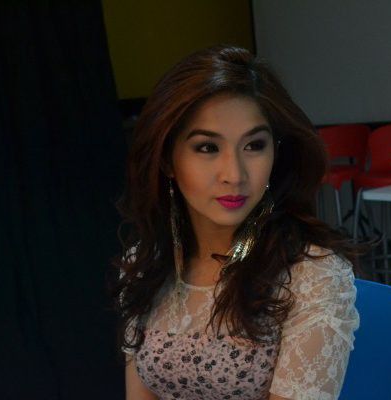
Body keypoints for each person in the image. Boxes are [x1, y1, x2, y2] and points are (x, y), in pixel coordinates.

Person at [110, 45, 374, 400]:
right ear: (168, 160)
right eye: (207, 148)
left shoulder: (312, 276)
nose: (234, 175)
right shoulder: (146, 263)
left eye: (254, 146)